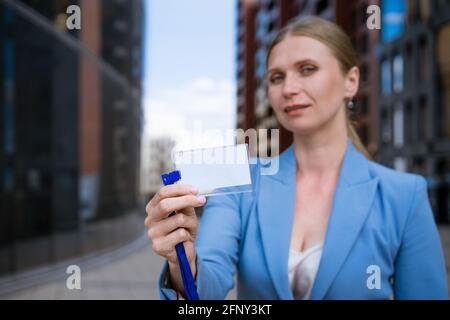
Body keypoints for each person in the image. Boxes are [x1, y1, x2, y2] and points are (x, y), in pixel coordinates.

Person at [145, 16, 449, 300]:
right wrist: (183, 260)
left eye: (307, 69)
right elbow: (205, 291)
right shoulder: (241, 181)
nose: (289, 89)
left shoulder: (404, 195)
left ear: (351, 81)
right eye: (277, 77)